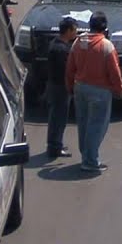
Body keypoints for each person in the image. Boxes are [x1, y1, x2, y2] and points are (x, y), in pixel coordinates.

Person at [65, 12, 122, 173]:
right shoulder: (106, 46)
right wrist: (118, 89)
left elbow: (70, 68)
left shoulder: (78, 42)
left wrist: (70, 86)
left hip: (80, 88)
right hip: (100, 91)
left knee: (83, 123)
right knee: (97, 126)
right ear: (104, 28)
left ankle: (86, 155)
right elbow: (114, 72)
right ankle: (90, 161)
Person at [45, 16, 79, 159]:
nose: (76, 32)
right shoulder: (61, 49)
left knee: (57, 116)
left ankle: (55, 143)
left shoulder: (56, 44)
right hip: (60, 88)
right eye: (75, 29)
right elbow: (66, 70)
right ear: (69, 30)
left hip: (56, 86)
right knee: (59, 118)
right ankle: (55, 147)